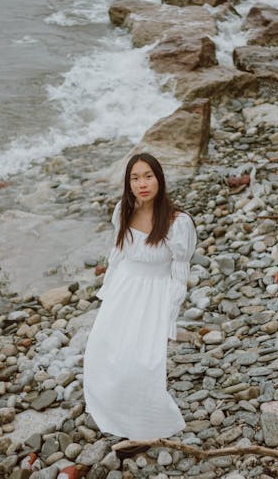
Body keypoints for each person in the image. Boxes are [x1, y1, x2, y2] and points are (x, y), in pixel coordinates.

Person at [83, 152, 197, 441]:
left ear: (159, 179)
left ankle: (147, 422)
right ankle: (111, 408)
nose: (142, 183)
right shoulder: (123, 210)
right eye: (135, 178)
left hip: (154, 294)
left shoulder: (177, 222)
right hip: (123, 288)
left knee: (143, 361)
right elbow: (118, 253)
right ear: (128, 183)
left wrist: (170, 317)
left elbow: (179, 274)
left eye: (148, 176)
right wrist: (107, 291)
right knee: (103, 348)